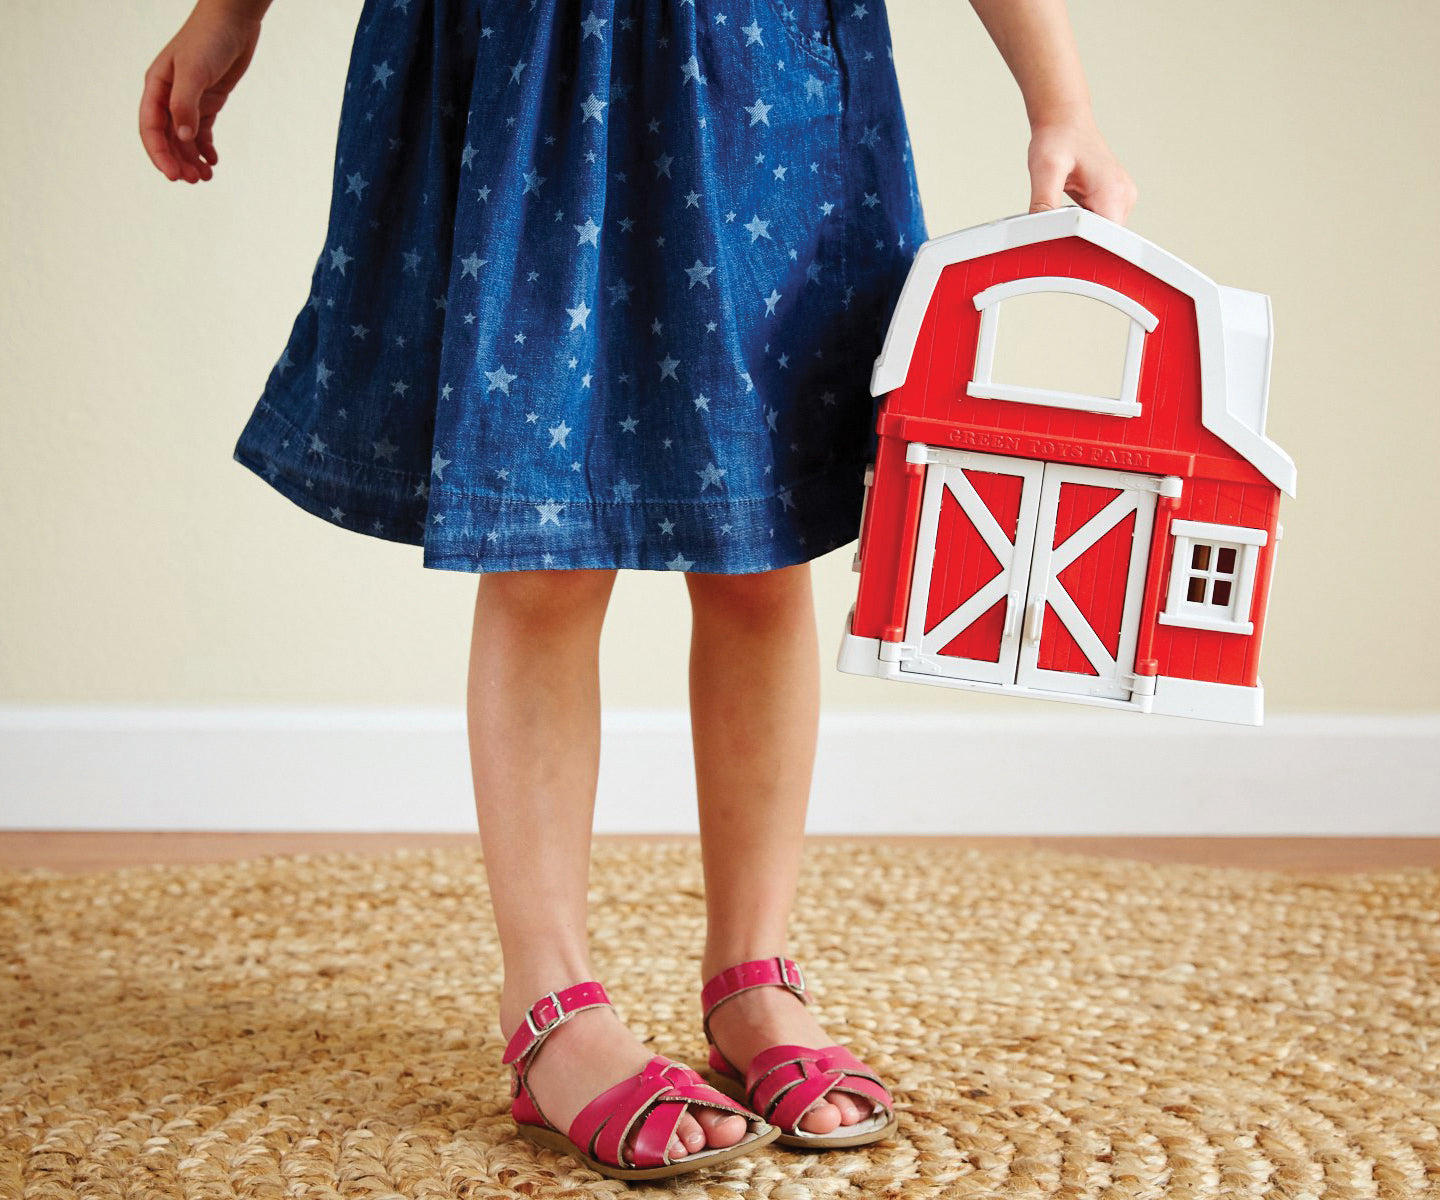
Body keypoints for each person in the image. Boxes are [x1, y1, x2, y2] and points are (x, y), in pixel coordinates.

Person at [140, 0, 1135, 1181]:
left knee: (762, 554)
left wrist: (1061, 98)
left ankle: (753, 975)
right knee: (544, 553)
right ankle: (548, 1004)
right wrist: (227, 15)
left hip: (756, 77)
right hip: (526, 70)